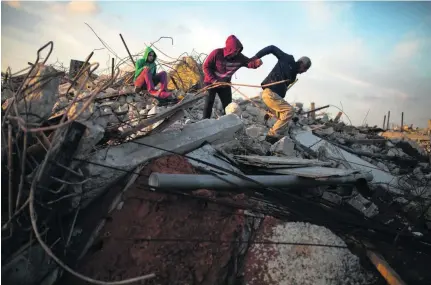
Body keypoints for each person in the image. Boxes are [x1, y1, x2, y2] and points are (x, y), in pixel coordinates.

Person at [252, 45, 311, 140]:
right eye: (305, 69)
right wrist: (256, 57)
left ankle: (276, 135)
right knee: (289, 110)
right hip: (269, 93)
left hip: (274, 97)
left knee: (285, 117)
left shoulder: (293, 76)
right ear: (302, 64)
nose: (304, 71)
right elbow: (272, 48)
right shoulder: (288, 59)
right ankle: (271, 135)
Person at [202, 35, 262, 119]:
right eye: (235, 51)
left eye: (238, 51)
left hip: (225, 84)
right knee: (209, 102)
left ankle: (226, 122)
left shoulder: (240, 57)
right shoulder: (216, 53)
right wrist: (214, 80)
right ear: (229, 49)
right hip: (211, 82)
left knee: (228, 106)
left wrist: (256, 63)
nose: (236, 53)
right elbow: (206, 66)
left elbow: (248, 63)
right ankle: (204, 123)